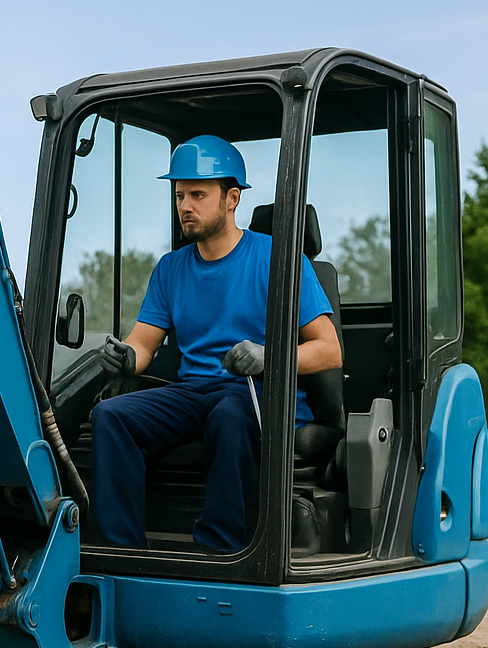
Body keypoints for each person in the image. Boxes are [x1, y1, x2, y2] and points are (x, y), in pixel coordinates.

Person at [89, 134, 342, 553]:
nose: (185, 206)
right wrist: (127, 357)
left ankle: (221, 550)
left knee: (227, 414)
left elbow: (329, 349)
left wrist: (269, 357)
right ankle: (122, 551)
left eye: (198, 195)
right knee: (110, 415)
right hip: (193, 393)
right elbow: (144, 343)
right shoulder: (170, 269)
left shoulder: (279, 259)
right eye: (179, 195)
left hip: (257, 396)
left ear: (232, 199)